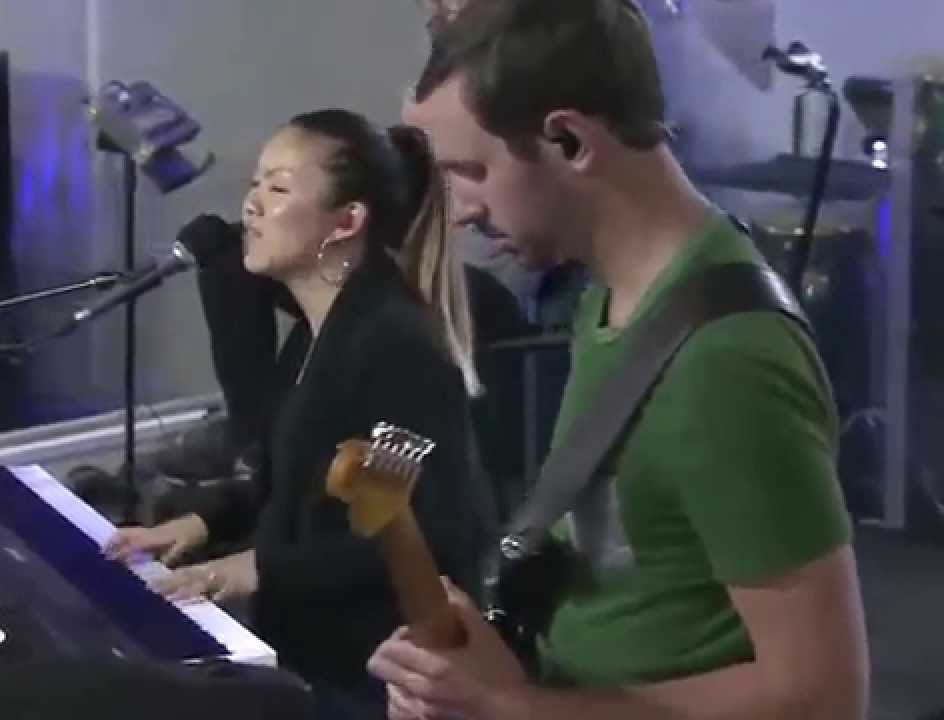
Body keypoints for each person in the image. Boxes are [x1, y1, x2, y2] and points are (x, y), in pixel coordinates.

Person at [366, 1, 870, 719]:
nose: (463, 209)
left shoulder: (727, 359)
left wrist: (517, 707)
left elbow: (823, 697)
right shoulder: (614, 298)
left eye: (471, 170)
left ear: (569, 140)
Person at [105, 108, 497, 718]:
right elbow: (300, 479)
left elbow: (414, 533)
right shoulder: (320, 330)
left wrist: (253, 568)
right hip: (309, 653)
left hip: (376, 680)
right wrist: (200, 525)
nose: (252, 205)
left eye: (279, 188)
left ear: (347, 221)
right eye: (255, 184)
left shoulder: (394, 346)